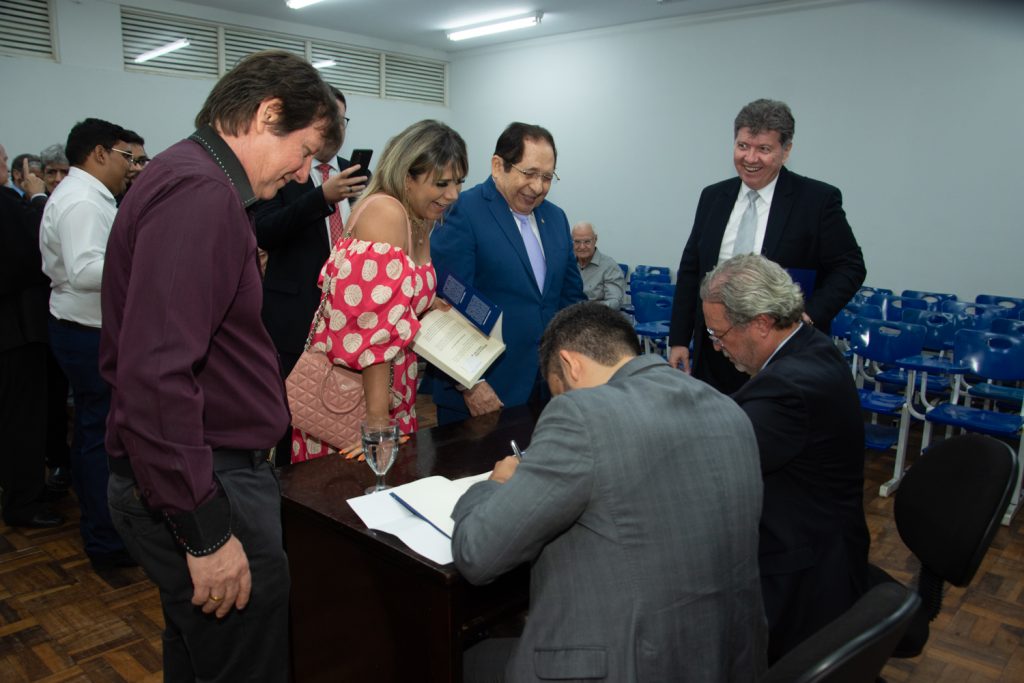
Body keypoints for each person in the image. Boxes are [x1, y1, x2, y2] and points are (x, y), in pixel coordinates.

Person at [100, 50, 341, 680]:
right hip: (207, 481)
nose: (301, 176)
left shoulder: (189, 178)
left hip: (197, 471)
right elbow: (155, 375)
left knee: (200, 657)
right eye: (305, 152)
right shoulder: (201, 193)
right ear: (267, 115)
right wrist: (204, 531)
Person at [453, 302, 767, 682]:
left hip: (628, 665)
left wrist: (496, 485)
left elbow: (478, 554)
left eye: (558, 393)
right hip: (720, 659)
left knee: (463, 659)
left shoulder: (583, 415)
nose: (561, 402)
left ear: (570, 365)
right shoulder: (727, 408)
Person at [700, 253, 870, 663]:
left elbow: (713, 461)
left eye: (718, 333)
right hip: (820, 538)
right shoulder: (811, 348)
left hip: (805, 575)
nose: (716, 346)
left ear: (760, 322)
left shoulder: (789, 388)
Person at [290, 119, 467, 463]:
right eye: (441, 183)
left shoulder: (418, 219)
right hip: (356, 397)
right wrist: (376, 424)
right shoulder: (386, 213)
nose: (453, 194)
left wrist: (430, 307)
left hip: (392, 387)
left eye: (458, 181)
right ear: (406, 177)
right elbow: (372, 332)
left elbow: (398, 303)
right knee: (350, 495)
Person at [668, 98, 866, 394]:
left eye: (764, 149)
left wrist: (809, 315)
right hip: (714, 349)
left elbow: (850, 266)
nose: (750, 158)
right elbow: (691, 269)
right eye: (743, 146)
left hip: (780, 354)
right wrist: (680, 338)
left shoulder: (816, 200)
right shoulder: (713, 197)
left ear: (786, 151)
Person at [431, 122, 585, 425]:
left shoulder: (555, 218)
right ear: (498, 165)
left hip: (547, 389)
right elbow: (446, 305)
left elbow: (571, 301)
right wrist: (471, 383)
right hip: (483, 393)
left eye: (547, 177)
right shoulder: (463, 210)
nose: (538, 187)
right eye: (529, 174)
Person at [253, 87, 368, 465]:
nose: (335, 129)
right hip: (295, 317)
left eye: (342, 120)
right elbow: (265, 230)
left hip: (350, 318)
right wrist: (321, 198)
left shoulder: (355, 170)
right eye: (327, 120)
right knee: (293, 415)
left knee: (342, 414)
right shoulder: (285, 169)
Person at [40, 118, 134, 570]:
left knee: (93, 436)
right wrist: (143, 259)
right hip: (87, 332)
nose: (130, 167)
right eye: (125, 157)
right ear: (100, 153)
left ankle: (104, 531)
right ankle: (106, 540)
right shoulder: (82, 200)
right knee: (99, 439)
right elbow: (84, 271)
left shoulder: (88, 196)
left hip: (83, 328)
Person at [0, 146, 64, 529]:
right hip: (15, 331)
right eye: (4, 163)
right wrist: (39, 199)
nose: (9, 171)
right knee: (20, 421)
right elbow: (33, 250)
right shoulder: (7, 206)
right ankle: (23, 504)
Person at [571, 221, 625, 310]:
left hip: (597, 318)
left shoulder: (609, 266)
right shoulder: (567, 264)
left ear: (595, 239)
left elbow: (615, 302)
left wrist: (587, 309)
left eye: (587, 242)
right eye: (577, 242)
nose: (582, 247)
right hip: (569, 317)